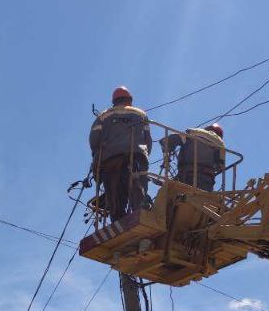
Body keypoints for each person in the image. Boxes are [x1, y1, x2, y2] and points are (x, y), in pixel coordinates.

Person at [88, 86, 151, 220]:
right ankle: (141, 211)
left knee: (114, 195)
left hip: (109, 161)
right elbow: (148, 140)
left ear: (114, 101)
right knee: (136, 186)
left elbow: (94, 140)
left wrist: (98, 157)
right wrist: (145, 157)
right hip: (136, 157)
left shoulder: (103, 116)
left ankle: (118, 220)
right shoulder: (140, 113)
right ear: (129, 99)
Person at [161, 122, 226, 191]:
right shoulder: (221, 145)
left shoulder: (194, 132)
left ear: (207, 129)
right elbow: (220, 167)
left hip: (186, 175)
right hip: (207, 182)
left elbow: (170, 139)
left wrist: (166, 151)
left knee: (168, 192)